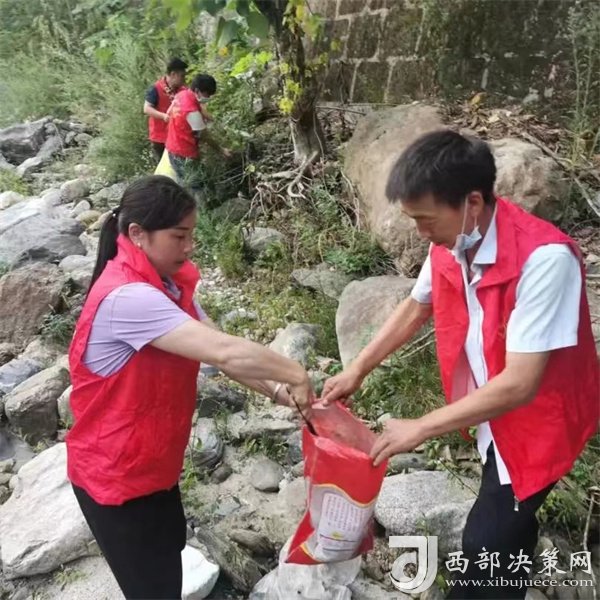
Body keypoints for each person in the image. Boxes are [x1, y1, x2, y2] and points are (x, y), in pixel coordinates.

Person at [322, 130, 599, 599]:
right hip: (491, 409)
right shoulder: (454, 241)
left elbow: (521, 384)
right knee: (504, 535)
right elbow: (416, 306)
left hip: (536, 422)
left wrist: (420, 428)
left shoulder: (545, 260)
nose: (421, 233)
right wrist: (357, 369)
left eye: (426, 219)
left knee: (484, 541)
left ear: (472, 202)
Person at [66, 175, 313, 600]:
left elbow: (218, 347)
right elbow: (225, 351)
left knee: (169, 561)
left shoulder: (165, 284)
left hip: (153, 466)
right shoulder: (128, 298)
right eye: (179, 236)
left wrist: (278, 393)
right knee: (153, 590)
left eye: (191, 235)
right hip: (115, 478)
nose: (190, 246)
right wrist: (296, 374)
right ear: (137, 234)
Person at [165, 73, 231, 186]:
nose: (208, 98)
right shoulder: (192, 111)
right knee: (197, 184)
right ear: (197, 90)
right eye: (207, 94)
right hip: (183, 154)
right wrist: (221, 150)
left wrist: (210, 118)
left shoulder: (182, 95)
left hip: (172, 147)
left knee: (188, 180)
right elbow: (204, 135)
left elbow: (169, 112)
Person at [144, 58, 188, 163]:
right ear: (173, 74)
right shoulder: (156, 88)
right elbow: (147, 108)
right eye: (182, 76)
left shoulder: (183, 90)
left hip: (177, 137)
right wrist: (164, 116)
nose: (184, 79)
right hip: (160, 139)